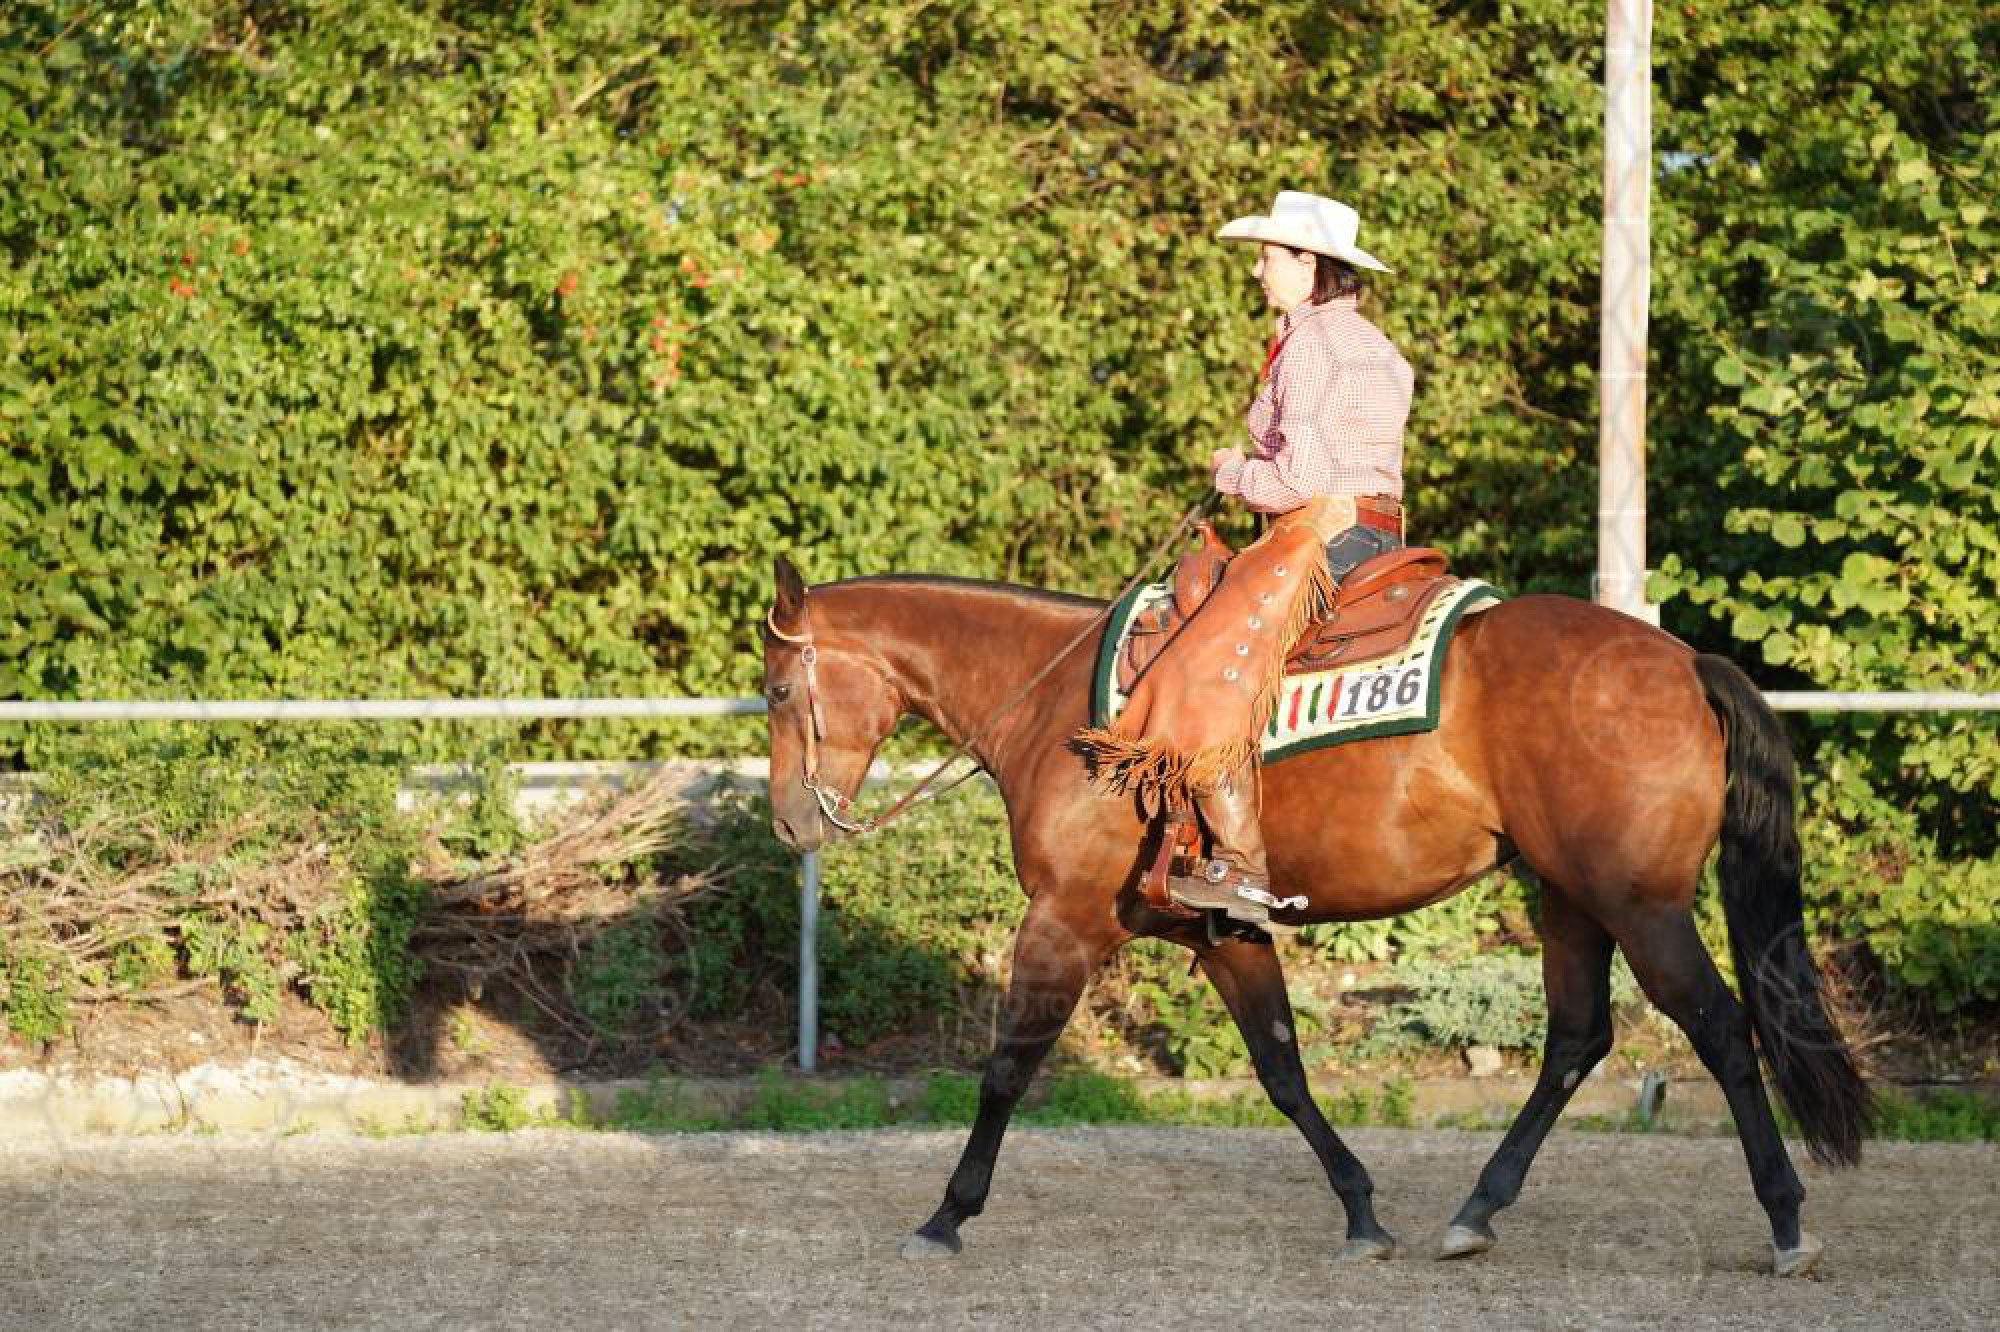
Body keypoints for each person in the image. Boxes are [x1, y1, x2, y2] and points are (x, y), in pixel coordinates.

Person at [1076, 191, 1414, 927]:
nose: (1259, 271)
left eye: (1267, 257)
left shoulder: (1312, 347)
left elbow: (1299, 479)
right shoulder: (1377, 346)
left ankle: (1240, 863)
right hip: (1380, 532)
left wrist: (1233, 472)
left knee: (1203, 663)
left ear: (1307, 262)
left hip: (1319, 532)